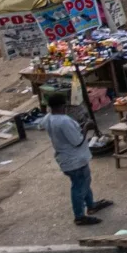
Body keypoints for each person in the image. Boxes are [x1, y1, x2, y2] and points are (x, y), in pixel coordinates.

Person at [45, 92, 110, 226]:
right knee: (79, 186)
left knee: (83, 183)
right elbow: (77, 141)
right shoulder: (64, 121)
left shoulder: (48, 118)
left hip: (66, 158)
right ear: (62, 106)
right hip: (74, 159)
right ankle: (79, 216)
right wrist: (86, 127)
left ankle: (91, 204)